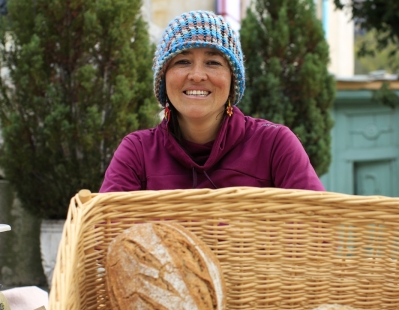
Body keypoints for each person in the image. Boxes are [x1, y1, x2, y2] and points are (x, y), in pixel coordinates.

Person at [100, 10, 324, 193]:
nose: (197, 75)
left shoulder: (275, 145)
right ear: (163, 79)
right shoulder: (137, 152)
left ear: (232, 80)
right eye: (183, 61)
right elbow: (104, 235)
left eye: (213, 62)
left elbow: (320, 230)